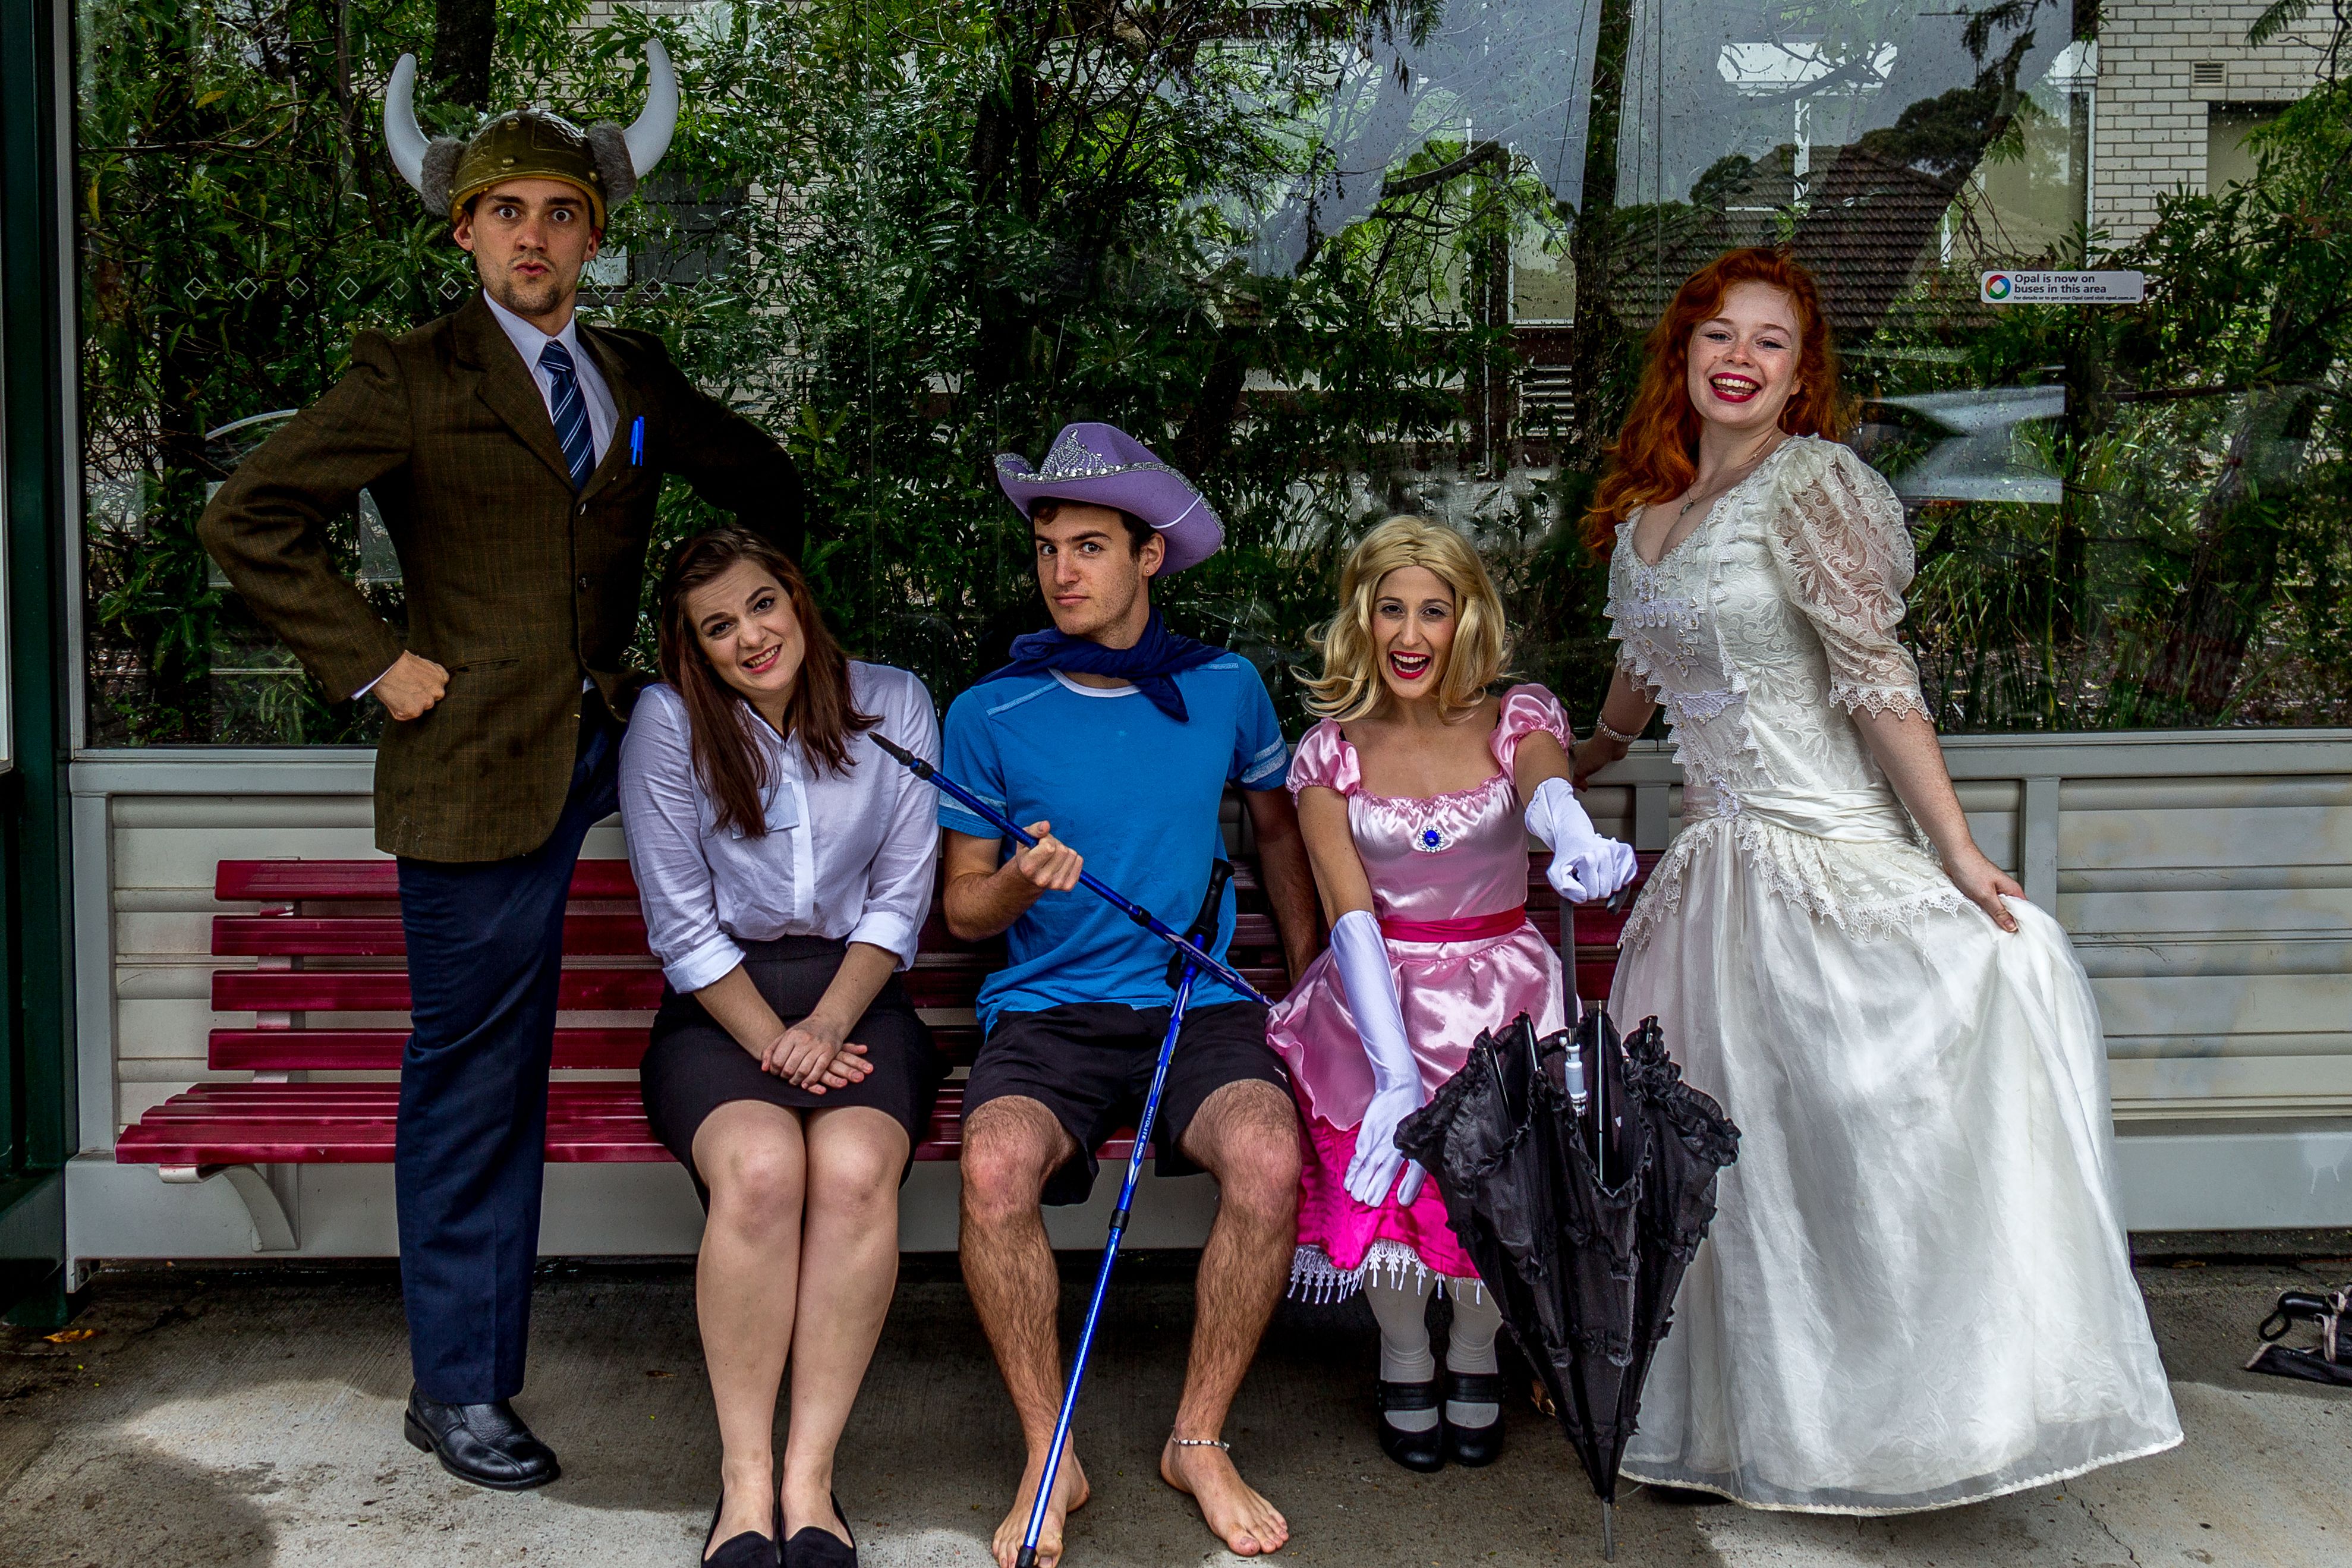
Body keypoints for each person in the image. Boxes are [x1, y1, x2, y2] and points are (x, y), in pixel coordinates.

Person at [199, 46, 811, 1492]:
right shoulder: (410, 375)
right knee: (477, 1074)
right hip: (475, 759)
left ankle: (804, 1260)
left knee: (794, 912)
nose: (532, 234)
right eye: (505, 211)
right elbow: (248, 519)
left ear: (594, 235)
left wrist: (722, 627)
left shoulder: (629, 375)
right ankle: (460, 1386)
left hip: (628, 736)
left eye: (559, 211)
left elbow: (764, 485)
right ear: (463, 231)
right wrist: (375, 660)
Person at [1573, 247, 2182, 1512]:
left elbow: (1873, 679)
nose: (1739, 358)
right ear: (1683, 353)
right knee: (1732, 1165)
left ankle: (1927, 1414)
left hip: (1820, 856)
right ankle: (1747, 1429)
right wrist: (1548, 759)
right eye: (1718, 334)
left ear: (1801, 376)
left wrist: (1954, 851)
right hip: (1706, 888)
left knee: (1873, 1126)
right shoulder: (1646, 518)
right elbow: (1636, 687)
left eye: (1771, 341)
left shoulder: (1811, 486)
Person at [941, 423, 1320, 1567]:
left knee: (1268, 1157)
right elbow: (961, 911)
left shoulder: (1226, 686)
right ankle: (1048, 1449)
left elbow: (1278, 838)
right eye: (1046, 547)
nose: (1060, 570)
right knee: (992, 1167)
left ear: (1149, 555)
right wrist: (1016, 882)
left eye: (1089, 546)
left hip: (1191, 1002)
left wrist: (1310, 983)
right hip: (1047, 1011)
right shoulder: (987, 711)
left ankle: (1196, 1438)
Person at [1268, 517, 1637, 1473]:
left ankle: (1475, 1350)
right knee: (1389, 1179)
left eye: (1433, 610)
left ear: (1466, 618)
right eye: (1389, 608)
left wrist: (1574, 836)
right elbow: (1347, 910)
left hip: (1503, 991)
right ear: (1361, 617)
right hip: (1374, 995)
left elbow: (1545, 786)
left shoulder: (1517, 717)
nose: (1409, 633)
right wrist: (1393, 1070)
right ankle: (1402, 1353)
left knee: (1502, 1188)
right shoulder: (1329, 753)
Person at [621, 529, 939, 1566]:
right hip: (722, 1010)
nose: (751, 636)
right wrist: (777, 1041)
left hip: (860, 998)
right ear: (692, 647)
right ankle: (744, 1479)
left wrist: (828, 1026)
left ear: (795, 599)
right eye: (719, 626)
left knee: (851, 1170)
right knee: (760, 1170)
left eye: (762, 604)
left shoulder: (893, 703)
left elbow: (901, 894)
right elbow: (681, 925)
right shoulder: (669, 723)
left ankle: (810, 1477)